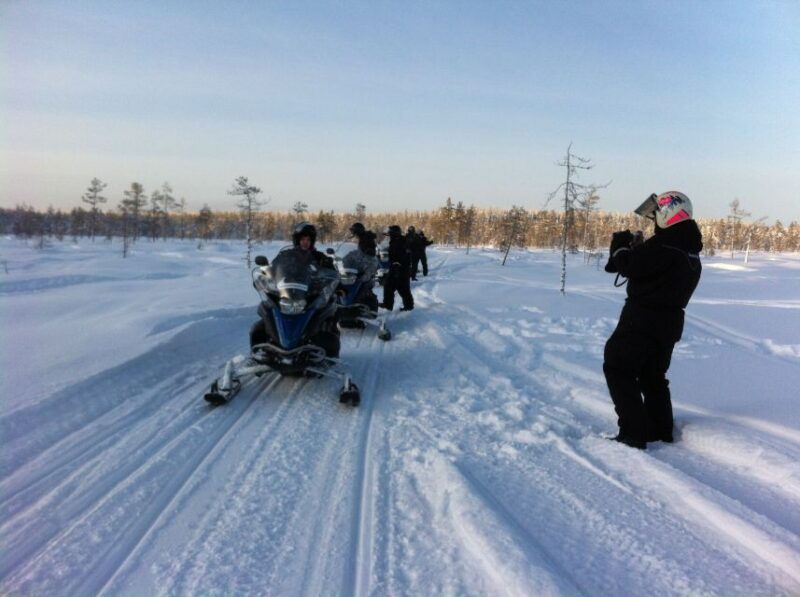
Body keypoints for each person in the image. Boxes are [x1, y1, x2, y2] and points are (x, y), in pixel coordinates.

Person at [603, 191, 703, 449]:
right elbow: (638, 267)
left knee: (618, 367)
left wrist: (621, 246)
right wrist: (632, 251)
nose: (654, 220)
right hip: (670, 323)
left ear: (669, 214)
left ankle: (633, 433)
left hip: (642, 319)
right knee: (652, 376)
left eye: (656, 214)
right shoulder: (688, 248)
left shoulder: (664, 246)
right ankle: (660, 429)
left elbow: (628, 266)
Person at [380, 225, 414, 311]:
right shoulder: (397, 240)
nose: (389, 236)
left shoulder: (400, 242)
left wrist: (398, 264)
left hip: (399, 268)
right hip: (400, 268)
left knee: (389, 286)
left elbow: (404, 255)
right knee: (403, 287)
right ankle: (408, 306)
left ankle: (388, 305)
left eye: (390, 234)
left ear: (394, 234)